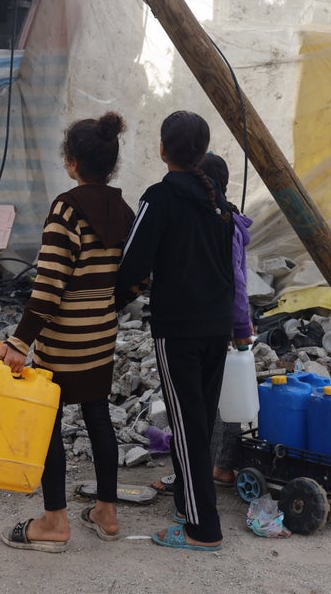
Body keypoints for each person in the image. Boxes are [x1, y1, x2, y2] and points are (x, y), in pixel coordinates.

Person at [0, 112, 135, 553]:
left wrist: (19, 342)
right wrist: (106, 306)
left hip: (64, 343)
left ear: (72, 162)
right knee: (98, 416)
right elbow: (136, 278)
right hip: (101, 339)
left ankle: (54, 522)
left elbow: (49, 284)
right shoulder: (126, 211)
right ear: (109, 165)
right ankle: (106, 514)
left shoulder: (66, 208)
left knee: (49, 423)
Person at [117, 111, 234, 552]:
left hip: (179, 327)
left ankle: (204, 529)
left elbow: (131, 264)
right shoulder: (220, 203)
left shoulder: (159, 198)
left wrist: (116, 298)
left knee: (185, 424)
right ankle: (189, 503)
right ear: (202, 152)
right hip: (215, 325)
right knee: (198, 419)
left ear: (162, 148)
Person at [148, 152, 253, 494]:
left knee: (197, 410)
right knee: (219, 399)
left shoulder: (219, 223)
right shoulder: (228, 220)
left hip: (208, 322)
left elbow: (235, 280)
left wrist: (241, 327)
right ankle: (217, 467)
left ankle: (193, 479)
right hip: (221, 320)